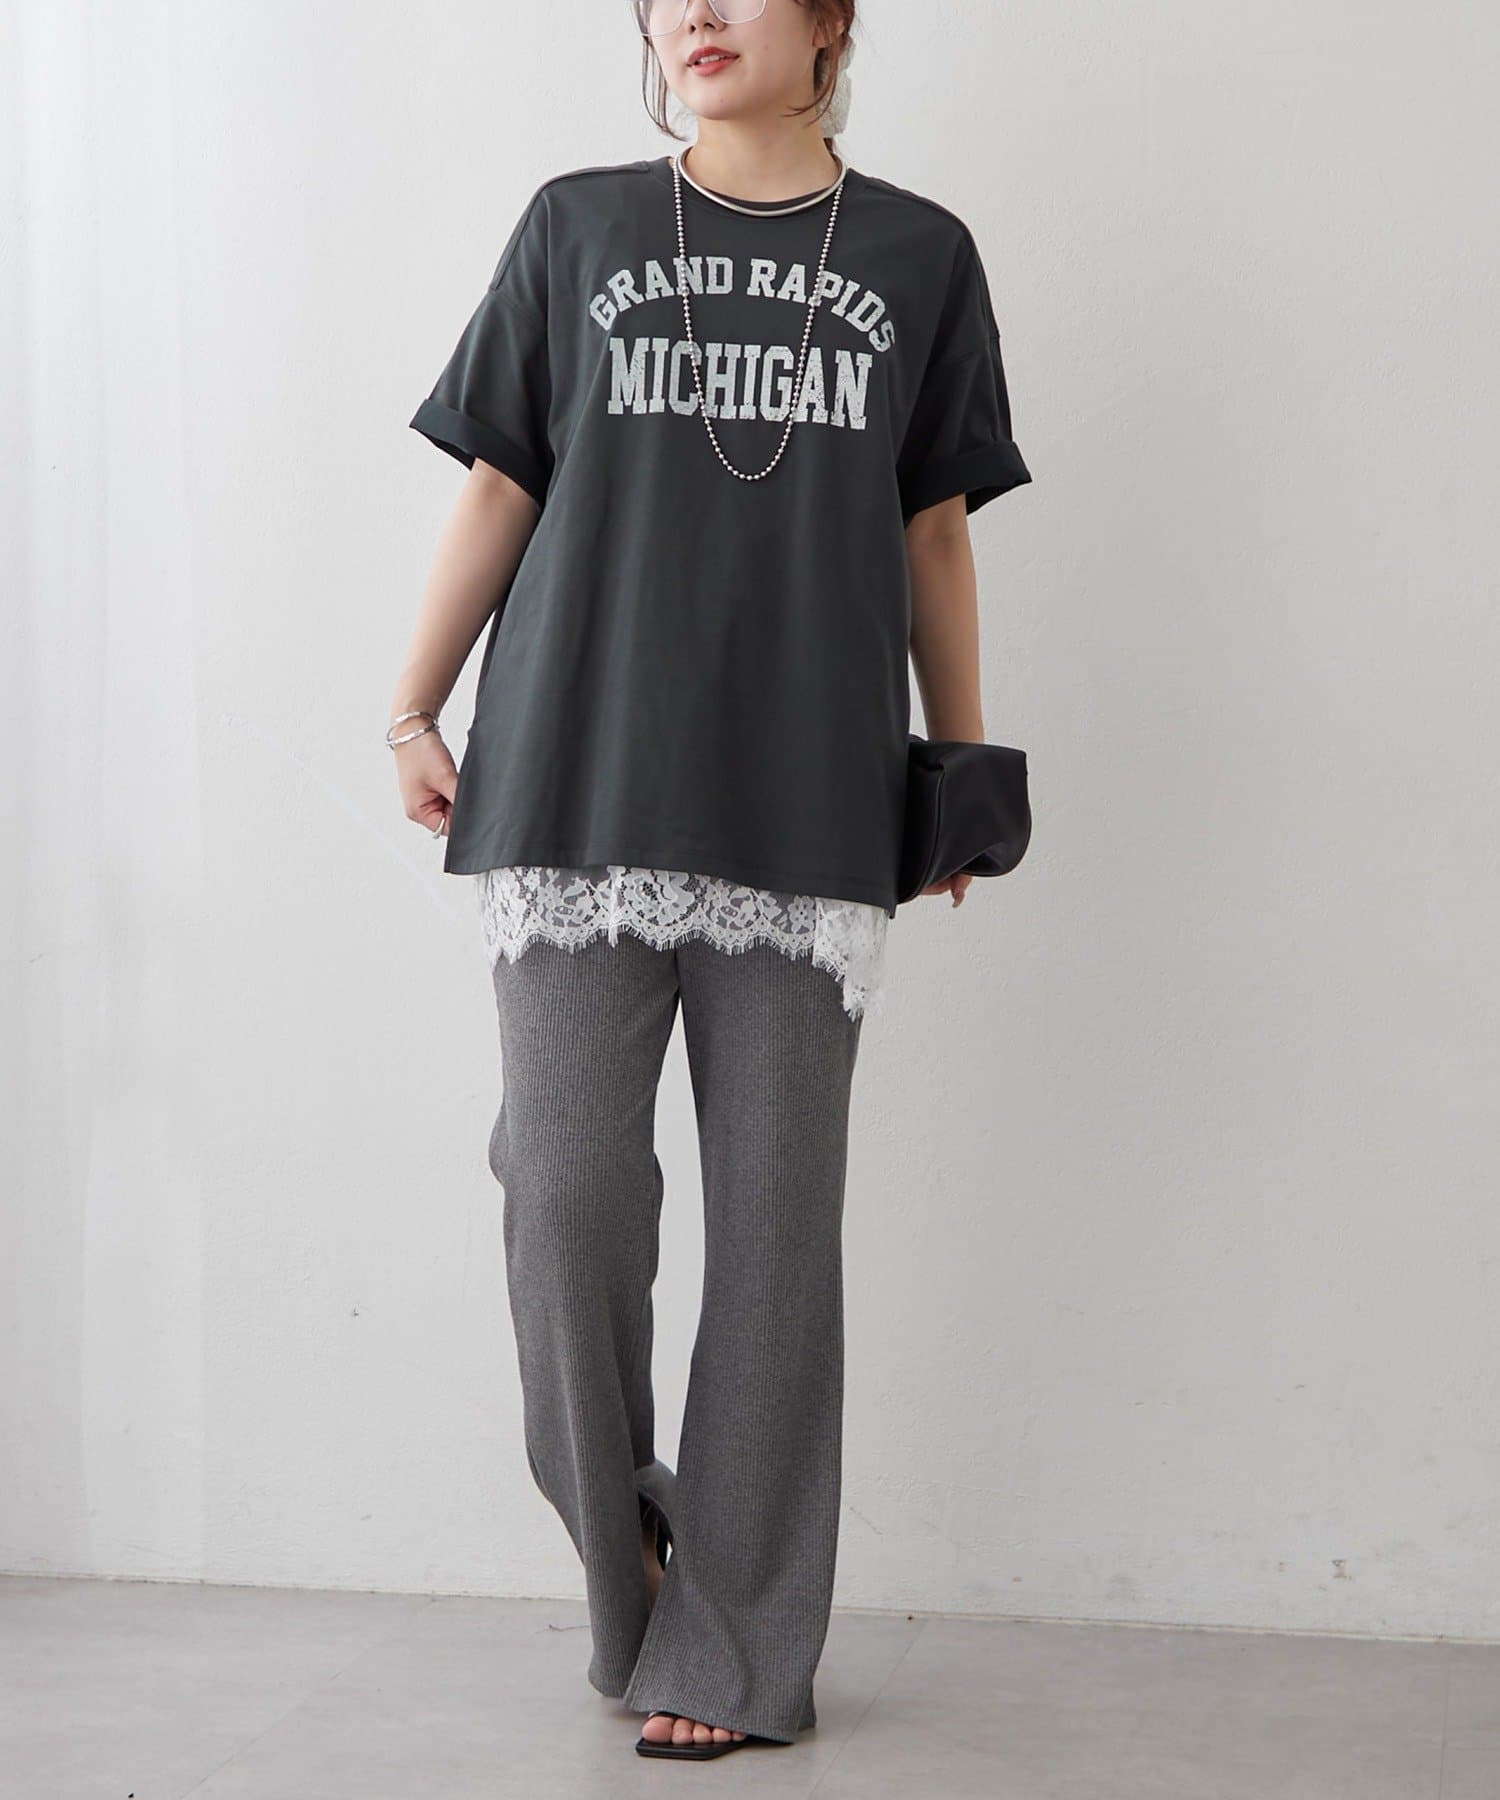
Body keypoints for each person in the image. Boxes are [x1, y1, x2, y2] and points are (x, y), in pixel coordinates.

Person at [389, 0, 1031, 1763]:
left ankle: (735, 1652)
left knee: (775, 1233)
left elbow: (934, 527)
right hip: (573, 782)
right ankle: (644, 1572)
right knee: (563, 1193)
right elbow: (501, 481)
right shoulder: (577, 225)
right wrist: (412, 705)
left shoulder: (918, 254)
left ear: (831, 22)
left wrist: (962, 770)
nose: (695, 11)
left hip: (807, 802)